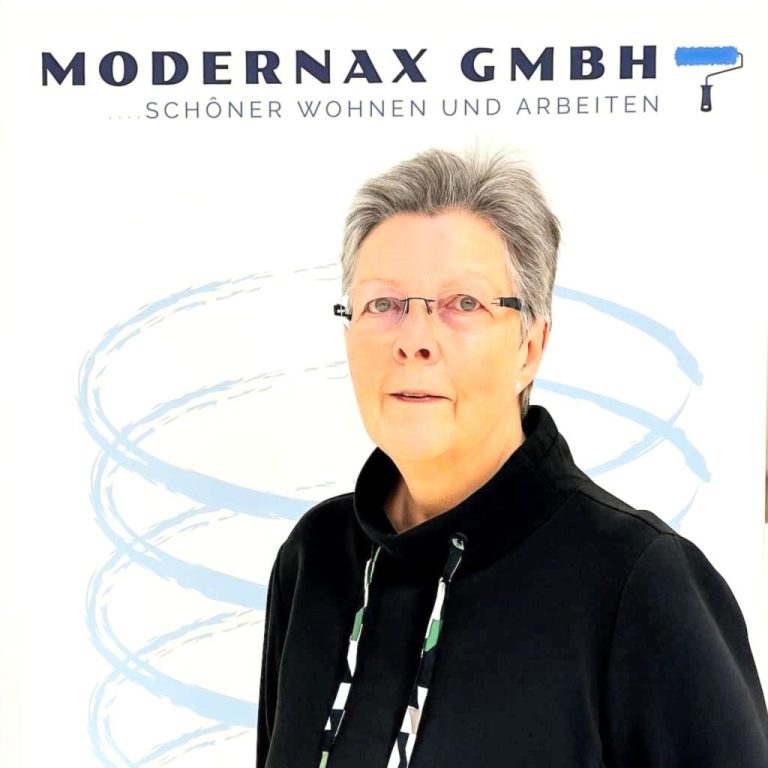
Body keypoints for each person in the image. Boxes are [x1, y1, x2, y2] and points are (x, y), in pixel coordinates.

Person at [256, 148, 768, 768]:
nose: (414, 340)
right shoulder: (315, 558)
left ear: (531, 345)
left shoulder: (640, 582)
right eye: (383, 304)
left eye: (463, 304)